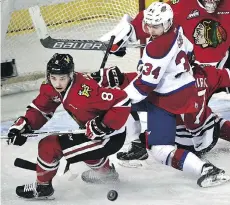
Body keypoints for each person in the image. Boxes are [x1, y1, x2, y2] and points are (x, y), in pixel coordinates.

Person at [100, 1, 229, 187]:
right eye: (149, 25)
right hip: (185, 89)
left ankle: (207, 170)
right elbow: (191, 50)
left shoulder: (156, 48)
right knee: (187, 136)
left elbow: (144, 85)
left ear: (166, 23)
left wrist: (117, 99)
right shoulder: (176, 29)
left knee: (159, 148)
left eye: (156, 25)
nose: (151, 30)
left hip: (167, 99)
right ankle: (139, 143)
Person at [7, 53, 132, 199]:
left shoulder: (85, 92)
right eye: (53, 78)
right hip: (92, 132)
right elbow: (41, 109)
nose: (58, 84)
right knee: (80, 145)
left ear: (71, 75)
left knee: (49, 145)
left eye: (62, 78)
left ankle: (42, 188)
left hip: (110, 137)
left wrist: (103, 125)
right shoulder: (52, 86)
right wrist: (25, 125)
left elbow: (122, 100)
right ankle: (106, 173)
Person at [116, 64, 230, 166]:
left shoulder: (163, 81)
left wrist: (116, 78)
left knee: (124, 100)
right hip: (208, 133)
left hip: (184, 145)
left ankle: (138, 143)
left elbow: (130, 84)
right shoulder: (205, 72)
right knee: (212, 119)